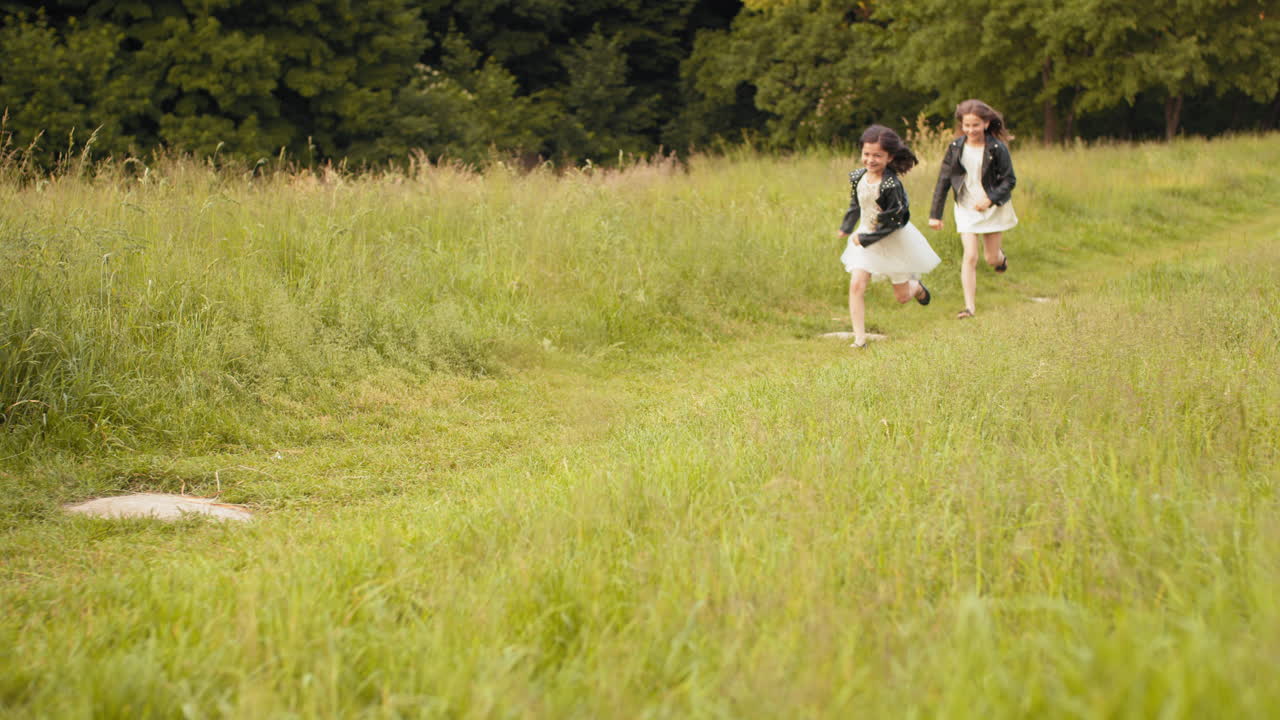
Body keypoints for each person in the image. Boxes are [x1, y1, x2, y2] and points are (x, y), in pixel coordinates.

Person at [837, 124, 940, 349]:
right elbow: (856, 204)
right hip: (865, 235)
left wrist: (866, 239)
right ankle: (860, 340)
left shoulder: (891, 185)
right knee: (856, 285)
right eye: (866, 154)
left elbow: (895, 222)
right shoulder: (857, 177)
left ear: (889, 157)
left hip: (892, 240)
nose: (870, 160)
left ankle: (916, 287)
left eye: (877, 155)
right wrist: (846, 227)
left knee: (902, 297)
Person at [928, 99, 1018, 319]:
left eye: (975, 125)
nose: (971, 130)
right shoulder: (955, 148)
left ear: (986, 123)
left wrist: (990, 199)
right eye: (966, 125)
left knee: (991, 258)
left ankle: (1001, 260)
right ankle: (969, 308)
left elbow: (1009, 180)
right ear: (961, 125)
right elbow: (943, 180)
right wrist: (935, 215)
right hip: (966, 206)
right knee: (970, 256)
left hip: (991, 207)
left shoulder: (997, 148)